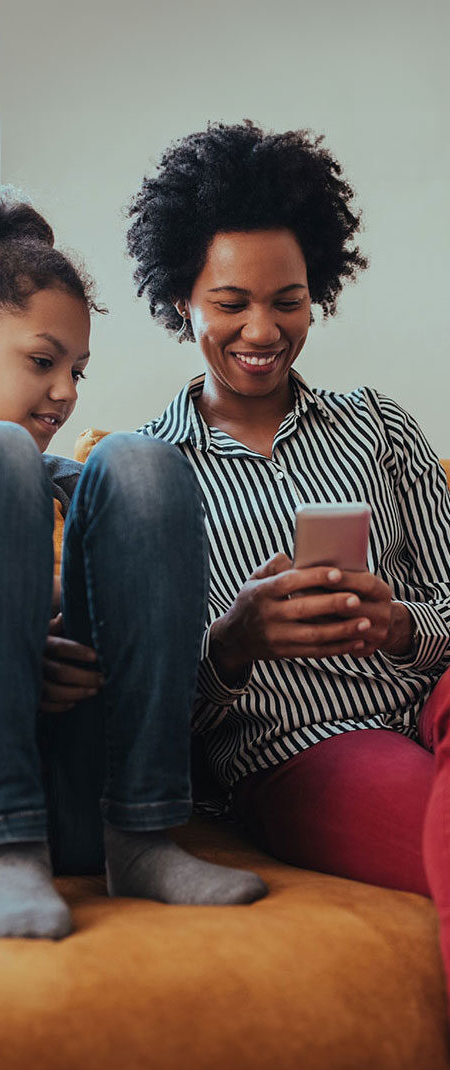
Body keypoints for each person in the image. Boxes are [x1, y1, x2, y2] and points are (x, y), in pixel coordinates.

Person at [0, 175, 267, 940]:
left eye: (77, 368)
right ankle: (2, 843)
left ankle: (142, 837)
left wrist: (228, 643)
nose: (66, 391)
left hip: (84, 799)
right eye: (43, 360)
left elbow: (158, 681)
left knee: (145, 461)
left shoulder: (83, 490)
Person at [126, 120, 450, 999]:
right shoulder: (143, 473)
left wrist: (400, 623)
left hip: (433, 697)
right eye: (230, 303)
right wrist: (231, 645)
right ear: (181, 301)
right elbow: (138, 714)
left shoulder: (378, 425)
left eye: (289, 300)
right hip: (302, 747)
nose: (262, 330)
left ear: (319, 294)